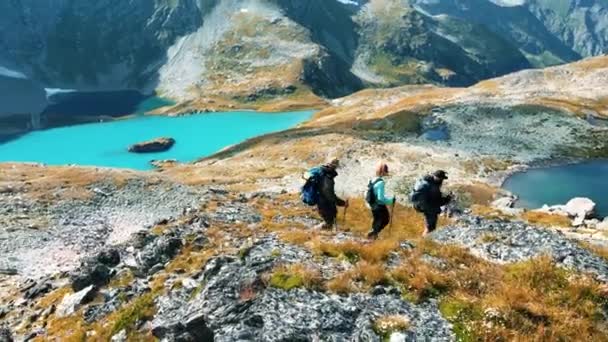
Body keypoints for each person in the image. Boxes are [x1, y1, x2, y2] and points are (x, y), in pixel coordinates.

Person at [410, 170, 452, 236]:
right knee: (430, 227)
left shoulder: (428, 181)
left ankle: (425, 239)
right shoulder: (429, 186)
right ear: (436, 177)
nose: (442, 180)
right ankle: (423, 240)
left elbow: (435, 198)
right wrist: (447, 199)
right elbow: (437, 201)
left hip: (423, 206)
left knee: (430, 226)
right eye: (441, 178)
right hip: (428, 207)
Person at [313, 158, 348, 229]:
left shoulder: (323, 172)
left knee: (329, 222)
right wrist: (342, 203)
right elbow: (329, 194)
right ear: (334, 167)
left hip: (322, 202)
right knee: (328, 223)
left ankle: (320, 234)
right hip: (325, 204)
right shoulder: (327, 177)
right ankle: (313, 231)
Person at [367, 162, 396, 240]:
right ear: (384, 172)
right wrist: (391, 201)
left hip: (372, 204)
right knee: (385, 220)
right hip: (379, 205)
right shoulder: (381, 182)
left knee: (377, 220)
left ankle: (373, 235)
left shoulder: (372, 180)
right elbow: (380, 198)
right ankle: (373, 233)